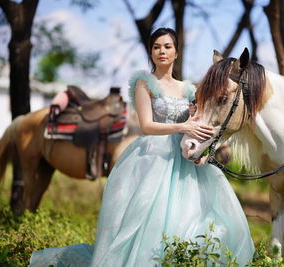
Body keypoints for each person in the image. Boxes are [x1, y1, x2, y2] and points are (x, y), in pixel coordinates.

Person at [29, 27, 254, 266]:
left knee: (192, 220)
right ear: (151, 52)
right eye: (156, 47)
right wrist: (183, 127)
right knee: (152, 222)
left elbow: (201, 122)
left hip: (182, 157)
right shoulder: (144, 84)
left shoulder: (189, 89)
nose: (162, 52)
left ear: (176, 52)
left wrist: (205, 146)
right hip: (154, 157)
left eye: (167, 47)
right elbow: (147, 126)